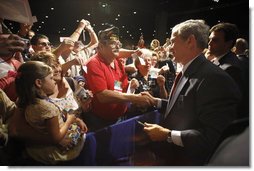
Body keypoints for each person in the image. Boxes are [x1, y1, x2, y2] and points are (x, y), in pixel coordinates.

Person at [141, 19, 241, 165]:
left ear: (190, 41)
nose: (169, 47)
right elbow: (184, 104)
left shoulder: (214, 78)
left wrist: (168, 135)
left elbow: (212, 136)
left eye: (173, 41)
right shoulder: (190, 70)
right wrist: (155, 101)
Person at [15, 61, 86, 165]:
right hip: (55, 154)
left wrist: (75, 119)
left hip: (38, 152)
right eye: (51, 78)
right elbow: (56, 138)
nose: (54, 82)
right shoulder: (47, 108)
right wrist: (70, 120)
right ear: (39, 83)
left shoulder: (27, 101)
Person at [84, 26, 154, 131]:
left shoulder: (116, 60)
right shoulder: (93, 63)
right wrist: (134, 98)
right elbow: (102, 96)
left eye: (118, 44)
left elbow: (118, 85)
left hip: (121, 116)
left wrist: (131, 84)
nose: (117, 46)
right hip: (102, 122)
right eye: (113, 43)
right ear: (101, 46)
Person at [208, 22, 248, 119]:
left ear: (228, 43)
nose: (209, 43)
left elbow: (229, 108)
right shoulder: (219, 61)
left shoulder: (230, 68)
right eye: (209, 39)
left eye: (215, 40)